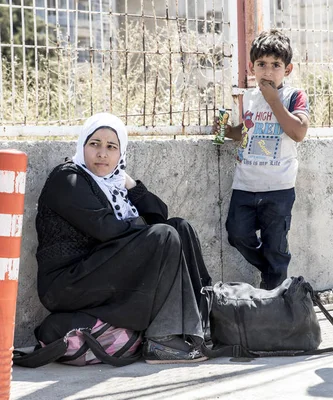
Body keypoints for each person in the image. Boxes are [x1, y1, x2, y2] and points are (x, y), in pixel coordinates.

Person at [35, 112, 212, 364]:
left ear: (121, 153)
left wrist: (129, 184)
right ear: (82, 145)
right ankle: (161, 340)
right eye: (94, 144)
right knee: (163, 236)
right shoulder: (68, 179)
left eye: (111, 147)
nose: (102, 154)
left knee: (179, 228)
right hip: (67, 284)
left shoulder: (113, 184)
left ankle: (199, 328)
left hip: (97, 270)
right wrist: (154, 240)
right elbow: (107, 230)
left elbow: (160, 215)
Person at [212, 29, 309, 290]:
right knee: (237, 234)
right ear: (252, 67)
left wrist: (274, 101)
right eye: (261, 64)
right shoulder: (247, 98)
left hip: (278, 188)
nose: (267, 71)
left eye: (275, 65)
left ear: (287, 70)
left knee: (275, 243)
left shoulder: (293, 96)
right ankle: (272, 269)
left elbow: (298, 132)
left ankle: (274, 301)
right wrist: (224, 130)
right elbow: (245, 131)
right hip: (245, 184)